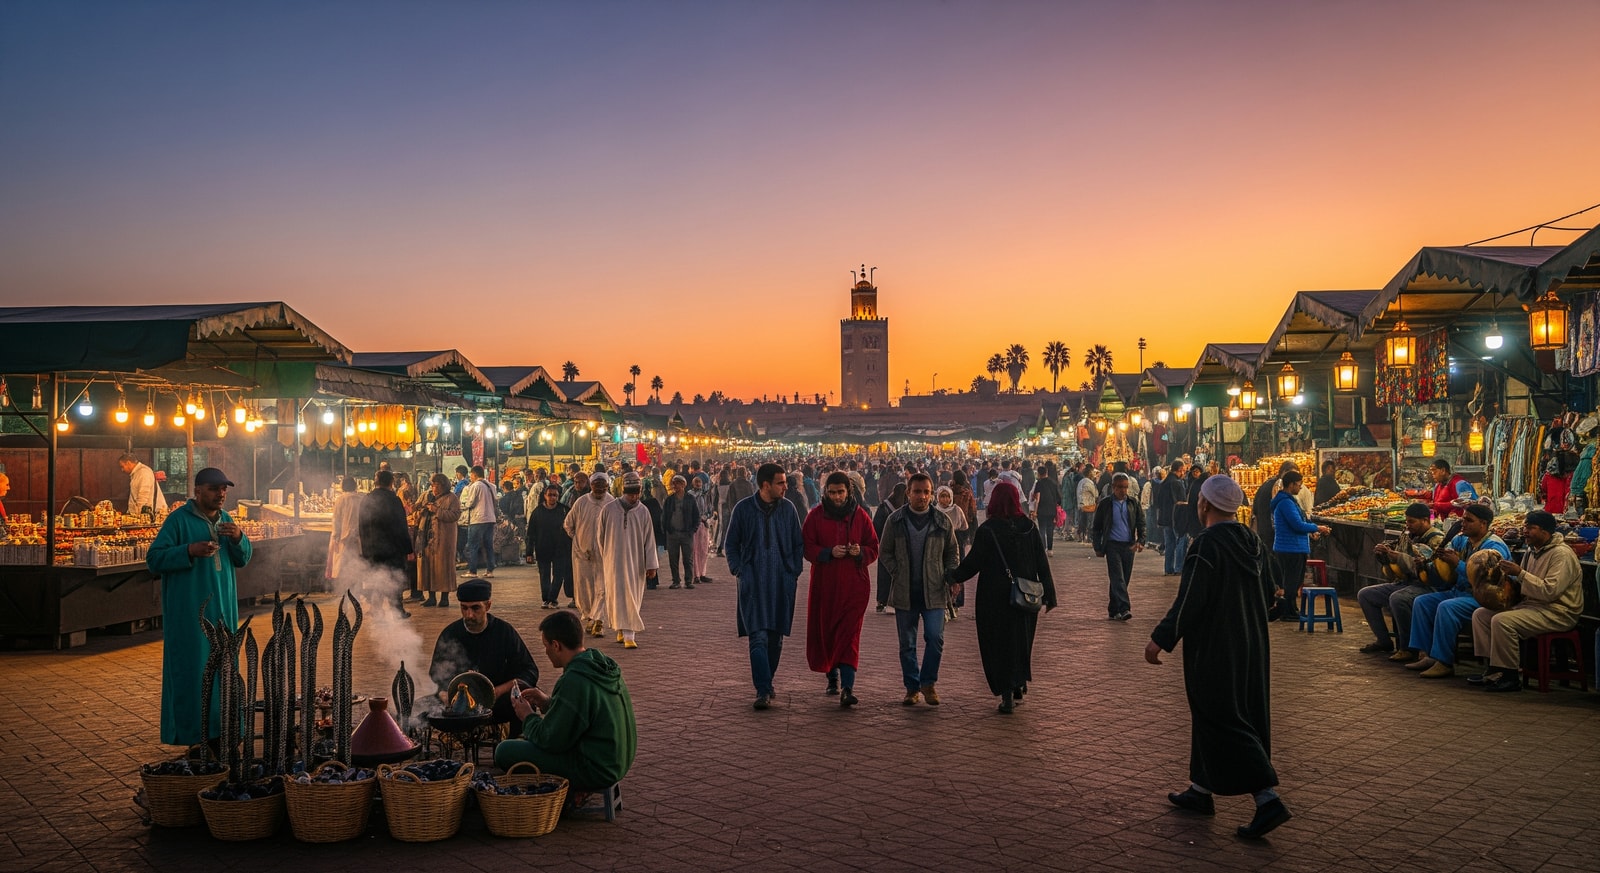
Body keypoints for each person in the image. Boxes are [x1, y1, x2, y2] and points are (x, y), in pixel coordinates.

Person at [1145, 474, 1290, 839]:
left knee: (1222, 715)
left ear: (1205, 505)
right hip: (1252, 642)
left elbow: (1190, 599)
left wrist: (1161, 639)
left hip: (1214, 646)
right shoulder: (1252, 540)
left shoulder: (1206, 545)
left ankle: (1267, 799)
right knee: (1231, 712)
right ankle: (1201, 789)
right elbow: (1273, 590)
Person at [146, 467, 252, 746]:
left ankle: (225, 729)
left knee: (226, 670)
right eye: (214, 489)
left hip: (224, 613)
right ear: (197, 491)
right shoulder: (178, 521)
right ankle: (195, 734)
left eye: (224, 489)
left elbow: (243, 559)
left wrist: (239, 538)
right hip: (190, 615)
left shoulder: (227, 520)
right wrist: (188, 551)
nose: (221, 494)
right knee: (194, 670)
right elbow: (154, 559)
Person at [947, 481, 1057, 713]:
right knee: (1021, 641)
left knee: (998, 644)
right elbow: (1041, 562)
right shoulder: (1029, 527)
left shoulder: (988, 530)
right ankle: (1019, 683)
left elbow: (973, 562)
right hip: (1025, 597)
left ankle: (1006, 693)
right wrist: (1049, 595)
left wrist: (952, 576)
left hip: (994, 599)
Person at [497, 610, 637, 789]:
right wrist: (548, 703)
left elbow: (551, 740)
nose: (545, 651)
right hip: (617, 761)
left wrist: (528, 716)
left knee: (505, 751)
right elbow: (581, 714)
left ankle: (559, 795)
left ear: (556, 645)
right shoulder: (600, 665)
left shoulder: (575, 679)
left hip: (597, 768)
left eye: (546, 645)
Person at [1467, 511, 1584, 692]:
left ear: (1545, 531)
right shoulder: (1532, 551)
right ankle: (1493, 669)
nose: (1525, 532)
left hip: (1558, 611)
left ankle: (1510, 676)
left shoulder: (1562, 555)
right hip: (1532, 606)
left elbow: (1550, 591)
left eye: (1530, 528)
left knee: (1502, 621)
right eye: (1524, 527)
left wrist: (1520, 573)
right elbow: (1523, 585)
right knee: (1481, 615)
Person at [725, 462, 804, 710]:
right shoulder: (744, 509)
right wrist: (739, 569)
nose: (785, 487)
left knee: (775, 638)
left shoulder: (788, 509)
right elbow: (731, 544)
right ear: (765, 485)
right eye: (780, 483)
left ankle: (767, 683)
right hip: (753, 583)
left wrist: (793, 571)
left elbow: (797, 544)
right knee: (757, 636)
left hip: (781, 582)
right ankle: (762, 688)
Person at [1399, 504, 1511, 677]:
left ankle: (1444, 661)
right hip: (1460, 591)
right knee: (1422, 602)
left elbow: (1487, 579)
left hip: (1482, 597)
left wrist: (1457, 564)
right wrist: (1429, 563)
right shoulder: (1461, 540)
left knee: (1447, 607)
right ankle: (1429, 654)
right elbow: (1444, 560)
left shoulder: (1494, 546)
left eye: (1468, 520)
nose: (1463, 523)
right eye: (1462, 519)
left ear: (1483, 523)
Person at [879, 473, 960, 706]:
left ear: (932, 493)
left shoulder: (941, 521)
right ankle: (912, 687)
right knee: (907, 643)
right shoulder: (895, 520)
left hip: (934, 590)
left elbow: (952, 553)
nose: (922, 496)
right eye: (917, 491)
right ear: (908, 493)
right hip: (905, 592)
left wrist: (951, 576)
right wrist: (898, 571)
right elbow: (885, 552)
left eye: (926, 492)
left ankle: (929, 683)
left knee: (935, 638)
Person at [803, 472, 880, 707]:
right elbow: (807, 546)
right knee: (828, 631)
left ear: (849, 492)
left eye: (841, 492)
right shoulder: (815, 516)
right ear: (826, 492)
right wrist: (827, 553)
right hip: (825, 586)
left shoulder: (861, 517)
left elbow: (873, 546)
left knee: (849, 635)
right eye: (833, 492)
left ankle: (848, 687)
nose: (837, 497)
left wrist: (860, 552)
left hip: (854, 587)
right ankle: (831, 675)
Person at [427, 579, 540, 730]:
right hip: (457, 704)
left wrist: (498, 691)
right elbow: (436, 675)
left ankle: (511, 746)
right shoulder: (450, 634)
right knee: (423, 709)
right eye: (464, 608)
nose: (469, 615)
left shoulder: (504, 632)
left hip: (497, 702)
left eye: (475, 608)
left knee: (525, 699)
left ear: (487, 606)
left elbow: (529, 671)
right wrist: (444, 694)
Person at [1356, 503, 1445, 654]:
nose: (1408, 525)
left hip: (1427, 585)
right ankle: (1383, 641)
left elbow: (1434, 570)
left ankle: (1408, 648)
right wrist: (1384, 554)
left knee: (1398, 598)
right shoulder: (1408, 536)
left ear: (1424, 520)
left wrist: (1399, 557)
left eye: (1411, 521)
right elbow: (1396, 563)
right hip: (1406, 583)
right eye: (1407, 521)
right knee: (1365, 594)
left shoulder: (1437, 539)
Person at [597, 472, 659, 648]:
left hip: (635, 562)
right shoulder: (608, 509)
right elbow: (600, 538)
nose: (634, 497)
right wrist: (607, 556)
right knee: (616, 596)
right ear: (624, 491)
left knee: (632, 596)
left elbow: (649, 540)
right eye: (631, 493)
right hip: (613, 562)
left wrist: (651, 565)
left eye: (636, 493)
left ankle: (629, 633)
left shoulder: (643, 511)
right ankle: (621, 629)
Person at [1269, 471, 1330, 622]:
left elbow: (1300, 522)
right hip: (1290, 548)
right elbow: (1296, 524)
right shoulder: (1285, 503)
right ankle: (1288, 611)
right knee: (1291, 581)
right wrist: (1317, 528)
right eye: (1298, 484)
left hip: (1291, 547)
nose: (1300, 487)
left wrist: (1312, 530)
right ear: (1291, 485)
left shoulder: (1288, 500)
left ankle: (1292, 609)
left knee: (1293, 581)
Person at [565, 472, 614, 637]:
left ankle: (599, 620)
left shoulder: (612, 503)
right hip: (582, 555)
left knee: (603, 588)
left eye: (603, 485)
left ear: (607, 486)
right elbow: (568, 524)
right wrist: (578, 541)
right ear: (591, 485)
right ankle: (590, 617)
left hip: (604, 554)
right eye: (597, 485)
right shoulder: (582, 502)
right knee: (585, 589)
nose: (600, 488)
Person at [1092, 473, 1146, 621]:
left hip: (1129, 546)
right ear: (1113, 487)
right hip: (1112, 546)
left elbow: (1141, 523)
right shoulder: (1105, 504)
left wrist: (1141, 541)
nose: (1123, 491)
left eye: (1125, 487)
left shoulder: (1133, 503)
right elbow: (1096, 527)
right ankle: (1124, 608)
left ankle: (1113, 609)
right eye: (1120, 487)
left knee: (1124, 579)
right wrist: (1097, 546)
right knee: (1117, 578)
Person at [358, 470, 412, 618]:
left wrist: (365, 548)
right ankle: (397, 610)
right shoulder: (393, 500)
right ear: (391, 483)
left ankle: (376, 609)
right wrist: (407, 547)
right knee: (394, 578)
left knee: (376, 578)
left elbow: (361, 526)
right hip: (393, 549)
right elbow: (401, 525)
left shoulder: (367, 499)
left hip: (373, 548)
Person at [415, 473, 461, 608]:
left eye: (437, 485)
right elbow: (416, 510)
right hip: (426, 538)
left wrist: (437, 510)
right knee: (427, 567)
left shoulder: (451, 498)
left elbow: (455, 515)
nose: (434, 488)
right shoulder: (426, 495)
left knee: (443, 568)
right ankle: (431, 597)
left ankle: (444, 597)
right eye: (432, 485)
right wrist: (420, 510)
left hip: (443, 539)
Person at [525, 485, 573, 609]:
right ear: (545, 495)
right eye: (550, 495)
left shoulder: (564, 510)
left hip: (560, 549)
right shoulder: (537, 512)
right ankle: (546, 598)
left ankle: (553, 598)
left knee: (559, 575)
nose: (552, 498)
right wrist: (529, 552)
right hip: (543, 548)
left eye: (555, 495)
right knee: (544, 575)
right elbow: (531, 533)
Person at [872, 481, 908, 612]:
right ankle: (897, 601)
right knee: (899, 573)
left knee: (884, 574)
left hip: (884, 545)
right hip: (900, 547)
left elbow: (875, 526)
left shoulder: (884, 506)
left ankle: (882, 601)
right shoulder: (906, 508)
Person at [660, 475, 701, 589]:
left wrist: (693, 530)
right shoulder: (669, 499)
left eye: (677, 483)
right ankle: (676, 580)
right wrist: (666, 529)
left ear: (683, 485)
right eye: (674, 483)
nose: (675, 486)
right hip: (672, 533)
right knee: (673, 559)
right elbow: (664, 516)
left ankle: (688, 580)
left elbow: (696, 516)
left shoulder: (690, 499)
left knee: (687, 559)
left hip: (686, 533)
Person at [459, 465, 499, 578]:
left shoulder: (475, 486)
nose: (470, 477)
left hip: (478, 519)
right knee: (488, 545)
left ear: (474, 474)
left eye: (471, 475)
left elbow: (470, 502)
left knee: (472, 545)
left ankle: (472, 571)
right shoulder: (492, 486)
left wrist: (462, 505)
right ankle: (490, 570)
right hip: (490, 518)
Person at [327, 475, 363, 582]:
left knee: (344, 566)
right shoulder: (361, 499)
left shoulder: (341, 500)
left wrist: (335, 536)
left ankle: (345, 589)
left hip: (344, 538)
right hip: (359, 538)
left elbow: (336, 520)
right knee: (357, 565)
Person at [1158, 460, 1189, 576]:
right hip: (1176, 517)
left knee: (1169, 543)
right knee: (1181, 540)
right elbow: (1182, 501)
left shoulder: (1164, 482)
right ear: (1180, 469)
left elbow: (1159, 502)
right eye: (1184, 470)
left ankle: (1168, 568)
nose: (1184, 473)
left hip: (1166, 518)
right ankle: (1179, 567)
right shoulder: (1177, 483)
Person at [1028, 466, 1062, 555]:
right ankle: (1050, 549)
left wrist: (1034, 511)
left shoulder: (1039, 483)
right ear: (1046, 472)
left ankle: (1043, 548)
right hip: (1052, 509)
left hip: (1041, 509)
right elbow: (1059, 498)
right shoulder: (1054, 483)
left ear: (1039, 474)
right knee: (1050, 529)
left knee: (1042, 529)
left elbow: (1037, 499)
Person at [689, 473, 716, 585]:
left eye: (699, 482)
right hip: (694, 525)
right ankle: (696, 575)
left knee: (704, 550)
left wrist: (707, 518)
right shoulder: (690, 495)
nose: (698, 484)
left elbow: (709, 509)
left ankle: (703, 573)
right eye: (696, 482)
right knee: (695, 550)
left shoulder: (706, 495)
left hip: (704, 524)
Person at [1075, 466, 1099, 544]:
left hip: (1081, 505)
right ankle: (1089, 538)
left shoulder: (1081, 482)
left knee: (1082, 522)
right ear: (1089, 473)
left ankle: (1081, 536)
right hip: (1089, 505)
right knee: (1090, 523)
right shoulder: (1089, 482)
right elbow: (1095, 494)